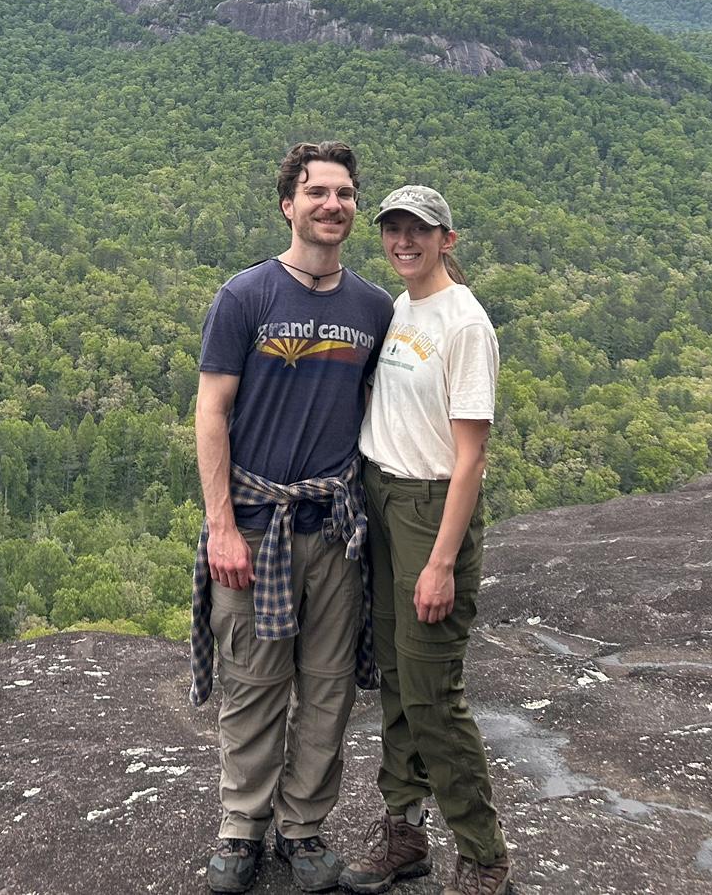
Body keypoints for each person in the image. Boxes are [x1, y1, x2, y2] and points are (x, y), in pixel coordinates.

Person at [191, 141, 395, 894]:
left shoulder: (373, 308)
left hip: (334, 532)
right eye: (317, 193)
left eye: (344, 194)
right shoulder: (245, 297)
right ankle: (241, 830)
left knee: (329, 686)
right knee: (253, 681)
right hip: (254, 523)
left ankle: (303, 829)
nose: (333, 205)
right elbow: (211, 411)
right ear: (289, 205)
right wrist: (220, 526)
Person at [342, 185, 513, 895]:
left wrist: (442, 561)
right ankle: (405, 835)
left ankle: (483, 854)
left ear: (449, 239)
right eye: (393, 229)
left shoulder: (465, 325)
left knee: (433, 693)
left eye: (419, 230)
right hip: (382, 500)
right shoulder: (404, 308)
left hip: (428, 508)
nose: (403, 241)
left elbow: (471, 455)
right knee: (396, 679)